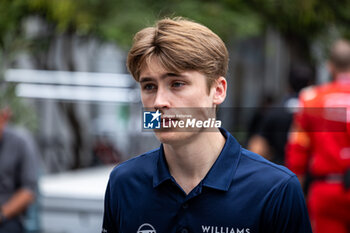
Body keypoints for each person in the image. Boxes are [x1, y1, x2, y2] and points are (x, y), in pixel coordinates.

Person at [102, 17, 312, 233]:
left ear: (218, 90)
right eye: (149, 86)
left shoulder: (275, 189)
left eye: (177, 84)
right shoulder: (124, 182)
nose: (159, 102)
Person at [286, 39, 350, 233]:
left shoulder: (311, 99)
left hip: (326, 190)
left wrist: (294, 196)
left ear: (330, 66)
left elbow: (297, 150)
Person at [248, 64, 314, 165]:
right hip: (309, 174)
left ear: (288, 84)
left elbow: (257, 147)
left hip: (280, 171)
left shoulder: (274, 111)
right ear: (310, 84)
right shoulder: (316, 113)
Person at [0, 106, 39, 233]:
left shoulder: (20, 142)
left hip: (8, 217)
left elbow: (28, 191)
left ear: (4, 116)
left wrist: (2, 214)